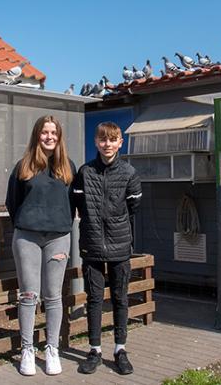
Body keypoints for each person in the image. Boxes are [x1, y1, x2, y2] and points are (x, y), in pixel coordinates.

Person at [5, 115, 76, 376]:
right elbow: (12, 202)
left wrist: (59, 223)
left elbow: (72, 205)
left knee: (53, 296)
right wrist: (28, 223)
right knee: (28, 295)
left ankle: (52, 349)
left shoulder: (68, 167)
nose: (49, 137)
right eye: (45, 132)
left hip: (58, 237)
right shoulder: (23, 167)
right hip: (27, 237)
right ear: (37, 135)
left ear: (59, 137)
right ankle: (27, 349)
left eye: (53, 133)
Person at [72, 122, 142, 375]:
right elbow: (78, 202)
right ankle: (94, 350)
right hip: (91, 245)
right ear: (96, 142)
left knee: (120, 299)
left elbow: (133, 206)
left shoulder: (129, 173)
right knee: (93, 299)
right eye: (103, 140)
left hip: (120, 245)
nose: (107, 144)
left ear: (120, 142)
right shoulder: (84, 172)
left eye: (112, 140)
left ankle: (120, 349)